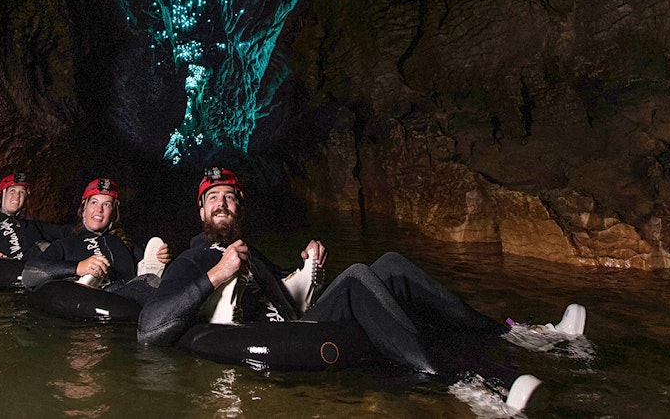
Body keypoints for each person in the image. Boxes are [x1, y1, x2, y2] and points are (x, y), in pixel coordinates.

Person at [137, 167, 565, 391]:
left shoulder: (253, 253)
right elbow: (149, 328)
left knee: (390, 263)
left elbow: (288, 296)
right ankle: (458, 380)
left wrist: (309, 268)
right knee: (359, 275)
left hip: (298, 325)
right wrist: (217, 273)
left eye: (230, 197)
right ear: (201, 211)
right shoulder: (191, 259)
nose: (222, 204)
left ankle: (511, 333)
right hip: (274, 339)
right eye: (213, 198)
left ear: (240, 208)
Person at [22, 177, 171, 304]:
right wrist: (78, 267)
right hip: (86, 303)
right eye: (94, 202)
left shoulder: (124, 244)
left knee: (150, 279)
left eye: (107, 204)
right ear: (84, 209)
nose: (99, 209)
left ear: (113, 213)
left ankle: (145, 275)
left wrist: (162, 256)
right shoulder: (66, 243)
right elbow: (30, 274)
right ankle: (85, 285)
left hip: (125, 299)